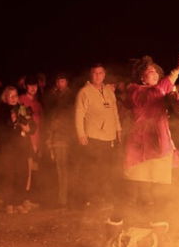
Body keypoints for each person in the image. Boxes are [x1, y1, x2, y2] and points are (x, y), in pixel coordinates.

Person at [108, 50, 179, 244]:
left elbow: (173, 108)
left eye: (156, 72)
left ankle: (160, 238)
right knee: (130, 192)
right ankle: (113, 231)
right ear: (141, 77)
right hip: (139, 151)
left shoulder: (162, 93)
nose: (154, 73)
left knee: (160, 193)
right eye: (149, 71)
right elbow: (157, 91)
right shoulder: (136, 91)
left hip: (160, 148)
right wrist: (177, 70)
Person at [75, 63, 122, 205]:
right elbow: (79, 114)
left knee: (106, 169)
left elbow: (114, 111)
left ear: (104, 75)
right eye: (95, 73)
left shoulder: (109, 91)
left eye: (100, 73)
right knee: (93, 169)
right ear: (91, 75)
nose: (98, 76)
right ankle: (89, 198)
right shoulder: (84, 92)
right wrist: (81, 134)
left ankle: (103, 197)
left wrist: (118, 129)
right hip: (94, 136)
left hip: (109, 136)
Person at [0, 86, 36, 214]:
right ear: (5, 98)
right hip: (8, 148)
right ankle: (9, 203)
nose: (14, 98)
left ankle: (18, 202)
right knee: (9, 176)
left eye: (15, 96)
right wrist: (12, 122)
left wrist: (27, 128)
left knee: (22, 174)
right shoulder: (1, 110)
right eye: (10, 96)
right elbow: (1, 128)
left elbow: (32, 126)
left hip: (22, 147)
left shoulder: (22, 108)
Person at [44, 73, 76, 208]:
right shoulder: (53, 96)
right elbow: (50, 114)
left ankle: (65, 199)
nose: (60, 84)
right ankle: (61, 199)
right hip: (56, 136)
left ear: (66, 82)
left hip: (66, 137)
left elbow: (69, 115)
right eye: (58, 81)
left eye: (63, 81)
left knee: (64, 169)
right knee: (59, 169)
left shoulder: (71, 96)